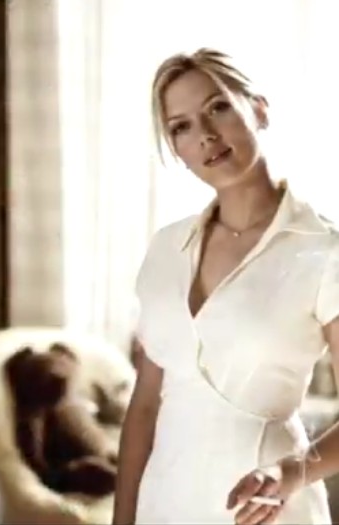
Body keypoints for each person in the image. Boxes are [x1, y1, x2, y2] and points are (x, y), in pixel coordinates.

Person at [113, 47, 339, 524]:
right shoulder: (165, 248)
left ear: (259, 109)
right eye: (181, 127)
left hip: (265, 510)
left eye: (218, 107)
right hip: (164, 504)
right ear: (176, 149)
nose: (206, 136)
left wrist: (290, 473)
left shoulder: (325, 252)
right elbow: (145, 407)